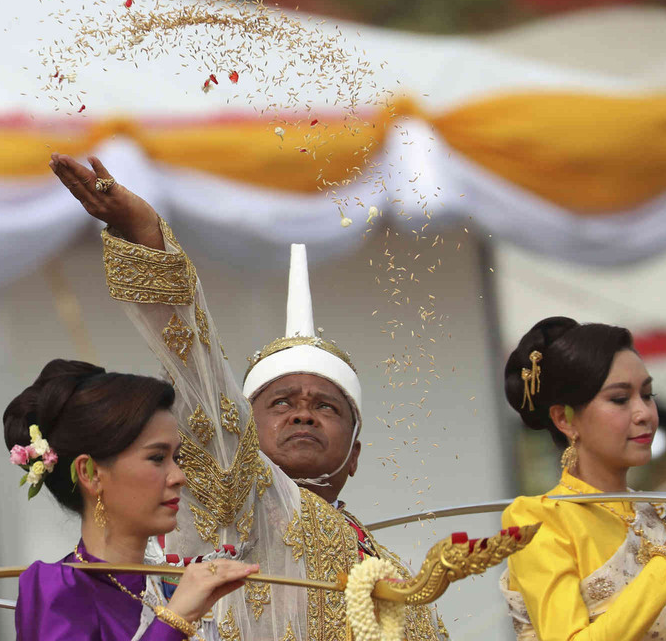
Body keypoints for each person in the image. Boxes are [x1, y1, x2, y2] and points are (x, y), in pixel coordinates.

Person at [49, 153, 445, 641]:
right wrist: (144, 235)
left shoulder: (385, 567)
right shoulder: (240, 493)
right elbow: (200, 374)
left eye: (327, 406)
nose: (303, 413)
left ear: (356, 455)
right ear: (237, 428)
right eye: (280, 402)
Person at [5, 359, 259, 641]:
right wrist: (175, 620)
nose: (179, 477)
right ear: (90, 474)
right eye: (157, 458)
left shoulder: (172, 584)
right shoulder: (56, 587)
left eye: (177, 458)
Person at [500, 317, 666, 641]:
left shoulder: (662, 515)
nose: (645, 413)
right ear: (564, 419)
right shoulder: (537, 519)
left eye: (648, 395)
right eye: (620, 399)